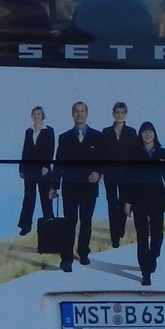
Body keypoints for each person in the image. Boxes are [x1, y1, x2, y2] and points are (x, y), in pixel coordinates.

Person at [50, 101, 103, 272]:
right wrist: (54, 186)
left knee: (86, 222)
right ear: (72, 114)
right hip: (70, 187)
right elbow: (58, 164)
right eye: (76, 111)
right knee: (69, 223)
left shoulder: (97, 136)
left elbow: (105, 159)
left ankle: (83, 252)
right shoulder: (64, 137)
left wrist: (98, 172)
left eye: (82, 111)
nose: (79, 114)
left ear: (87, 114)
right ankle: (66, 259)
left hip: (89, 187)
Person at [124, 121, 165, 286]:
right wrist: (128, 201)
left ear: (154, 133)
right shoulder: (134, 153)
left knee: (158, 233)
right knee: (143, 236)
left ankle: (153, 256)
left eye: (150, 131)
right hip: (139, 198)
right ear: (140, 134)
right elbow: (129, 179)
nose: (147, 135)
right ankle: (145, 273)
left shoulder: (162, 153)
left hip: (158, 198)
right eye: (144, 132)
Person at [98, 100, 139, 248]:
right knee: (111, 202)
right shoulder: (105, 132)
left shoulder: (132, 132)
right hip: (110, 172)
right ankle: (114, 236)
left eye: (122, 112)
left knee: (123, 201)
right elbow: (101, 153)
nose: (119, 115)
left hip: (126, 173)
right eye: (117, 112)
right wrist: (100, 171)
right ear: (113, 114)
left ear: (125, 114)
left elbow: (135, 153)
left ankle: (120, 229)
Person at [17, 105, 55, 235]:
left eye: (39, 114)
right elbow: (25, 150)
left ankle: (49, 222)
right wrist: (21, 168)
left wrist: (46, 166)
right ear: (32, 116)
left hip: (43, 170)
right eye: (34, 114)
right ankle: (25, 225)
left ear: (42, 115)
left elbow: (50, 149)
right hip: (29, 170)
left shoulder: (48, 131)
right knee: (29, 198)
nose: (36, 116)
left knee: (45, 197)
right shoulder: (28, 131)